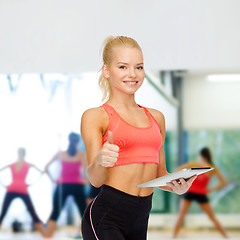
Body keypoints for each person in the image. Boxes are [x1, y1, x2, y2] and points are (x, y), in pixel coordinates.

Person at [80, 36, 197, 240]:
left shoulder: (156, 117)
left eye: (139, 67)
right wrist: (100, 160)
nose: (132, 74)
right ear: (106, 71)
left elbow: (159, 175)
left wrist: (176, 186)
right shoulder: (96, 116)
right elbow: (95, 179)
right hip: (106, 217)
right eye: (123, 67)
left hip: (141, 218)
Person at [172, 147, 228, 238]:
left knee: (181, 216)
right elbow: (223, 182)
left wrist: (185, 181)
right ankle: (226, 237)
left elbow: (177, 170)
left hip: (190, 192)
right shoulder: (212, 168)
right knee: (212, 217)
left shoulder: (194, 164)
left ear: (200, 155)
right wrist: (211, 189)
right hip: (201, 193)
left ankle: (173, 237)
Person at [44, 132, 87, 238]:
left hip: (63, 186)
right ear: (77, 142)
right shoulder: (82, 154)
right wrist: (86, 180)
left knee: (55, 213)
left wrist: (53, 179)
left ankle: (47, 236)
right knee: (84, 213)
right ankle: (86, 236)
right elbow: (84, 172)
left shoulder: (61, 154)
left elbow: (46, 167)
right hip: (77, 186)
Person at [0, 148, 45, 236]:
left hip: (22, 189)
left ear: (24, 154)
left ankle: (44, 234)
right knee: (3, 212)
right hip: (12, 189)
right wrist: (3, 185)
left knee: (32, 212)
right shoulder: (13, 164)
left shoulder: (27, 164)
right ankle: (44, 233)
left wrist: (31, 183)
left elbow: (41, 172)